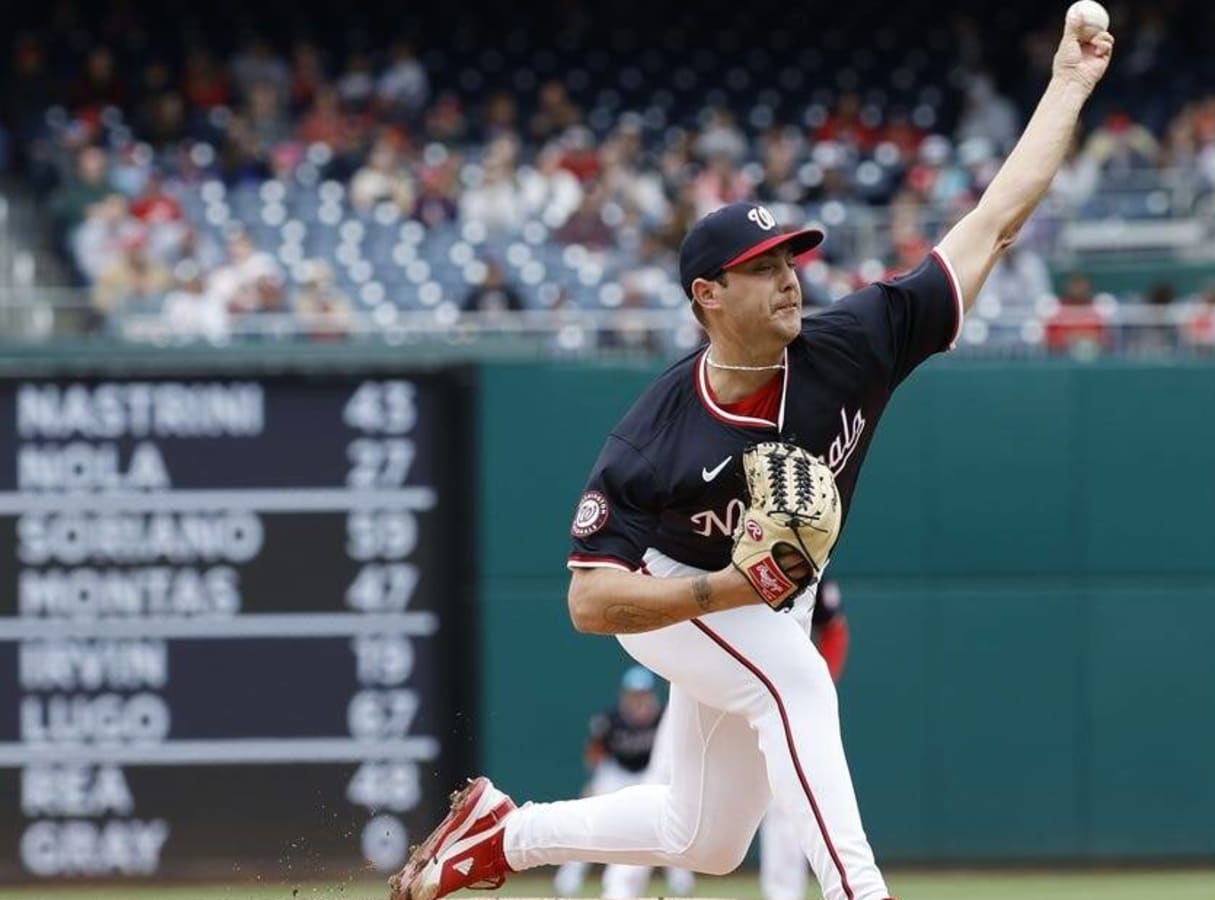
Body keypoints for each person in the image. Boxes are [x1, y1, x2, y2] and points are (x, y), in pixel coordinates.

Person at [390, 13, 1115, 900]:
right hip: (675, 585)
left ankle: (505, 836)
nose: (790, 278)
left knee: (704, 834)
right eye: (764, 265)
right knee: (795, 681)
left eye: (791, 257)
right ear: (708, 295)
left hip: (768, 597)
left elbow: (994, 222)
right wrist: (725, 591)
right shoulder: (657, 433)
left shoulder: (852, 342)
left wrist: (1069, 86)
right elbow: (588, 600)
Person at [551, 667, 697, 899]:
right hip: (617, 775)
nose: (638, 698)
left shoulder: (663, 719)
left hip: (648, 776)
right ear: (625, 695)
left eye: (643, 693)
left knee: (667, 819)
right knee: (592, 819)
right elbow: (595, 755)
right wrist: (595, 783)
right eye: (634, 694)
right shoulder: (611, 720)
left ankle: (681, 881)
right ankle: (570, 878)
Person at [759, 579, 849, 900]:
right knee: (693, 825)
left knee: (786, 802)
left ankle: (784, 896)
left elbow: (835, 628)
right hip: (721, 682)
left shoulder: (810, 562)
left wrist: (820, 685)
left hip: (784, 694)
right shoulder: (719, 552)